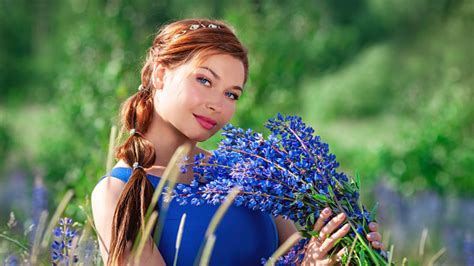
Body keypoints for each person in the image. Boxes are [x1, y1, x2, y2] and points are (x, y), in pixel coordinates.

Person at [91, 18, 384, 266]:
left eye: (231, 94)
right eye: (204, 80)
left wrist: (338, 250)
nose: (218, 105)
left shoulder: (248, 172)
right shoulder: (116, 192)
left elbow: (296, 258)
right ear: (160, 75)